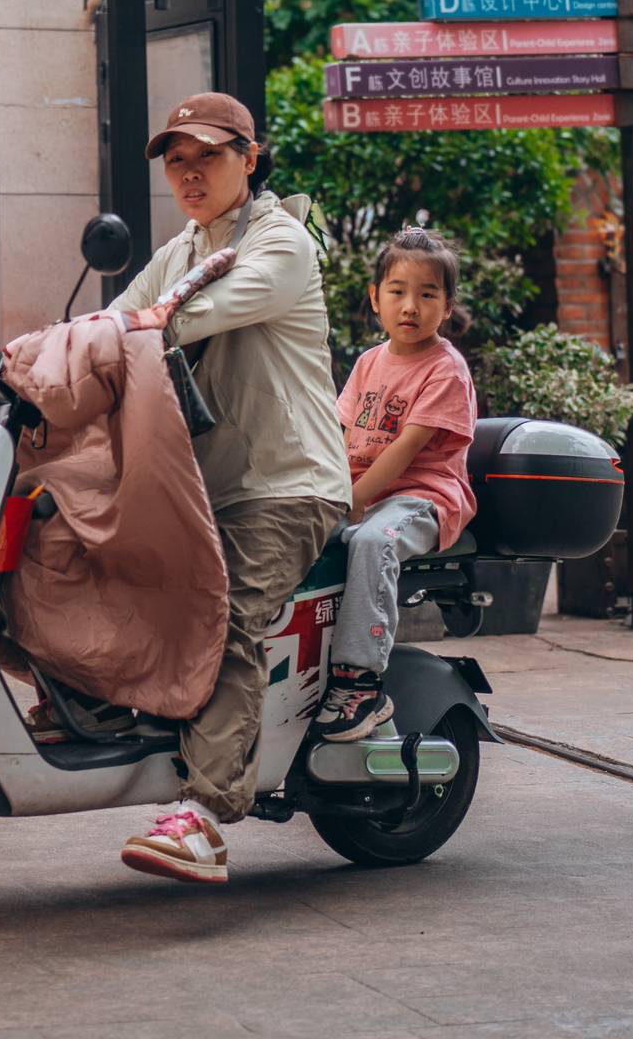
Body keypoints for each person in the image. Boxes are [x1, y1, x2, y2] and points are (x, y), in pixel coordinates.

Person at [107, 92, 351, 886]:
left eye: (207, 156)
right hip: (204, 484)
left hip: (287, 484)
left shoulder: (282, 243)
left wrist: (127, 329)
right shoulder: (181, 249)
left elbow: (184, 318)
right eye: (176, 161)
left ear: (250, 158)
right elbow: (119, 317)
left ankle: (206, 817)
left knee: (227, 615)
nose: (189, 173)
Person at [314, 227, 478, 742]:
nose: (411, 306)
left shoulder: (446, 369)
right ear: (375, 299)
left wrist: (353, 501)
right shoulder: (369, 361)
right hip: (362, 492)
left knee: (370, 540)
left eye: (427, 294)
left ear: (447, 306)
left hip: (421, 497)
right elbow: (339, 438)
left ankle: (360, 683)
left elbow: (406, 449)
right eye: (398, 291)